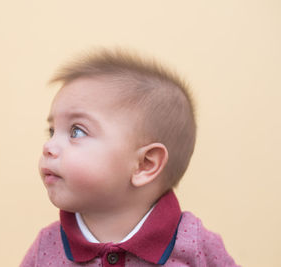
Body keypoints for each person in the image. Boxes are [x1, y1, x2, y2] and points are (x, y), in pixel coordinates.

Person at [20, 48, 238, 266]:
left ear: (145, 164)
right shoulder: (47, 248)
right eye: (51, 131)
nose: (49, 146)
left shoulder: (196, 245)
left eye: (76, 131)